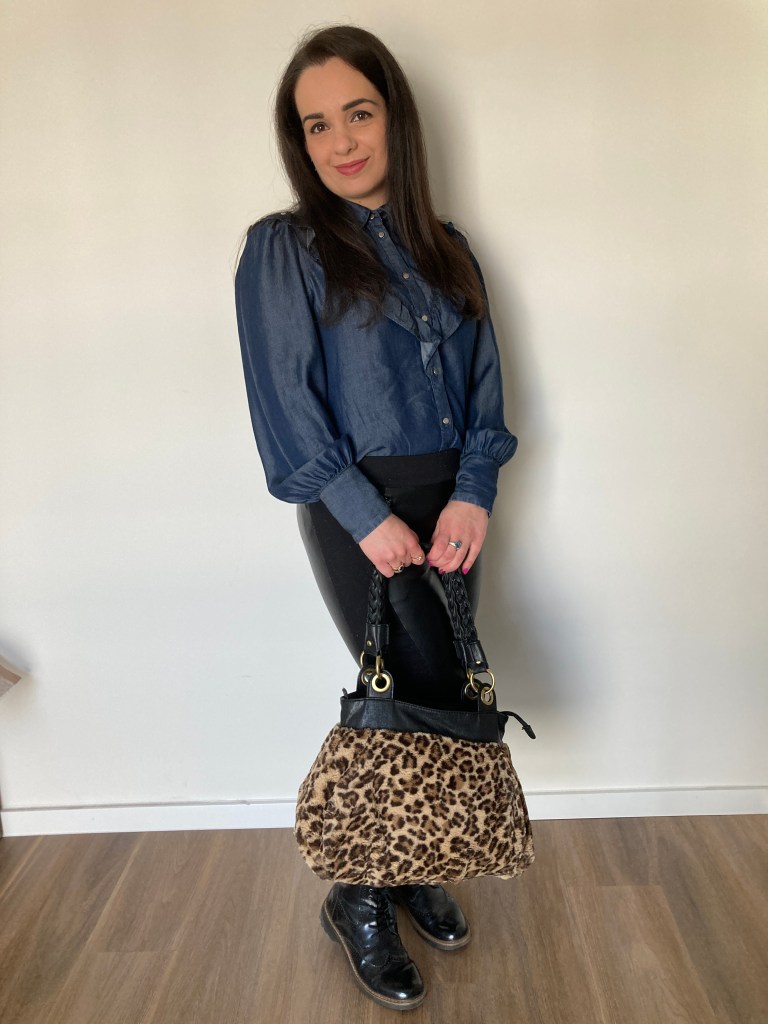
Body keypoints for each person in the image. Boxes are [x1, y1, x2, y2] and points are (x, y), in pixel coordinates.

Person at [234, 25, 518, 1012]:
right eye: (316, 124)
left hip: (455, 501)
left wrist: (476, 488)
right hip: (359, 502)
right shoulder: (287, 249)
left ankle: (406, 859)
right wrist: (363, 514)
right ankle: (358, 895)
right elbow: (285, 406)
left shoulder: (451, 249)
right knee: (398, 685)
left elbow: (487, 385)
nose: (340, 141)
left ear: (395, 115)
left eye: (358, 112)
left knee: (434, 687)